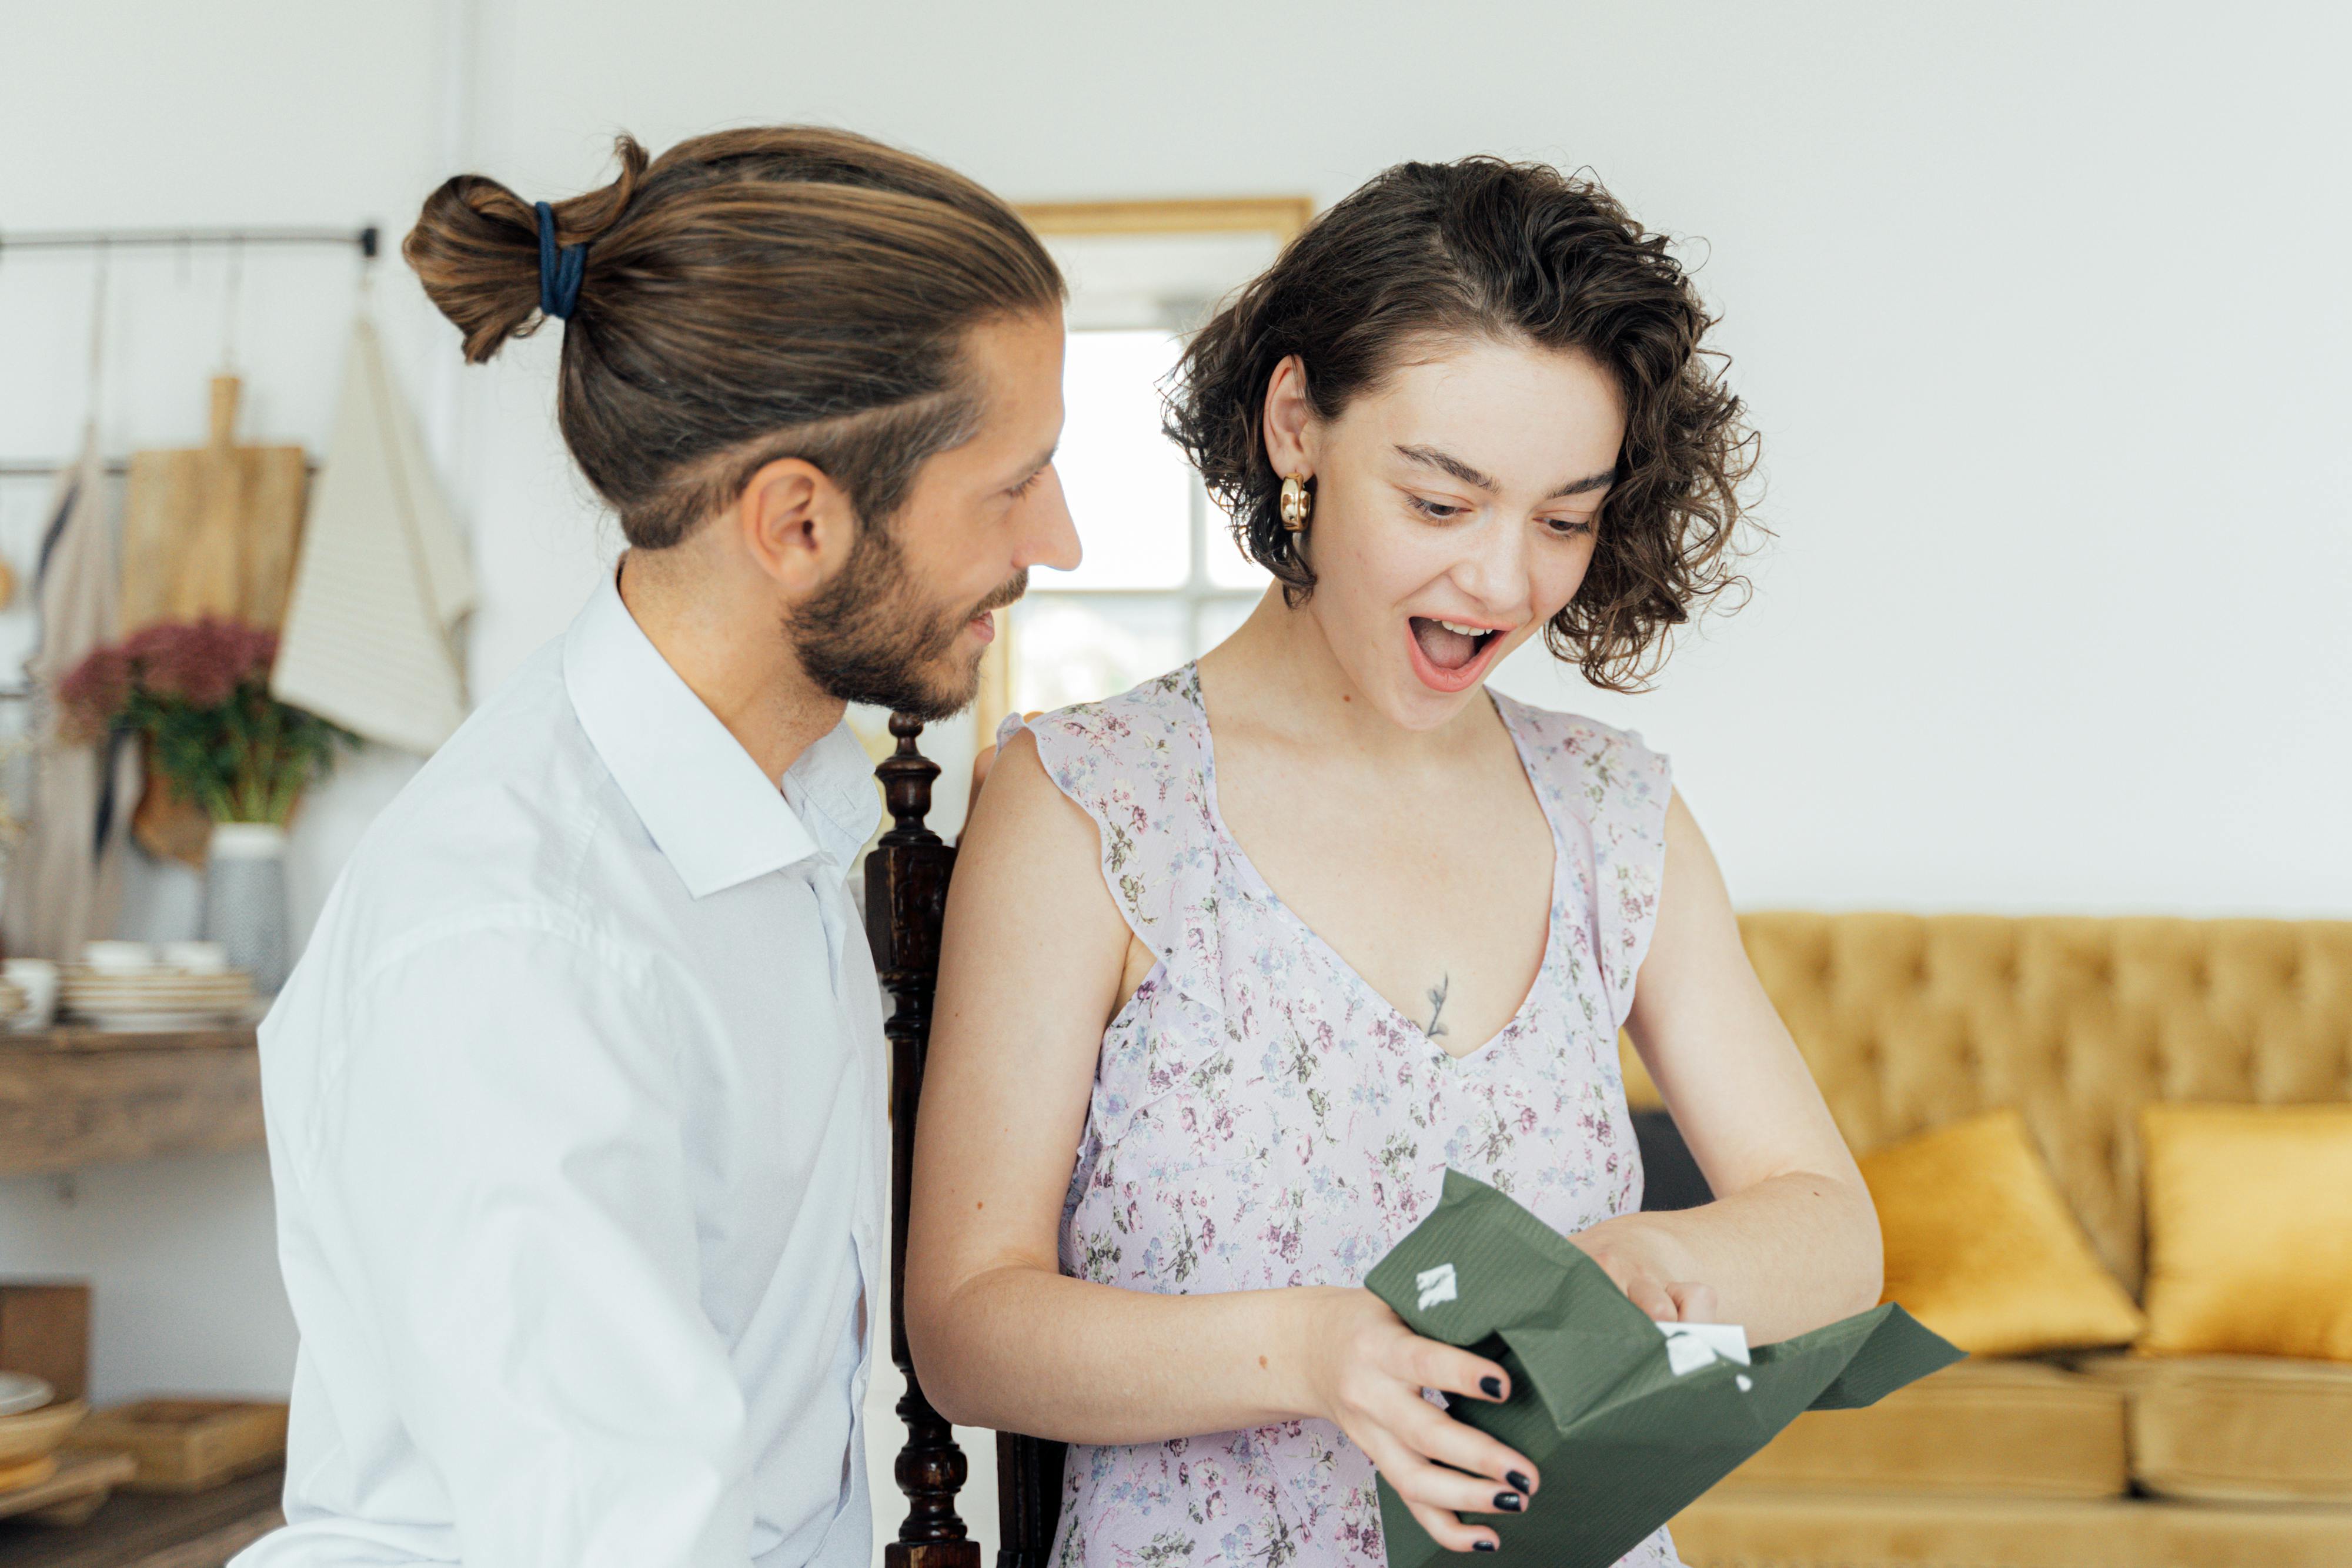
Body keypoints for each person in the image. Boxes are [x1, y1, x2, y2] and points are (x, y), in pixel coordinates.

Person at [904, 156, 1882, 1566]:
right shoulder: (1090, 803)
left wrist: (1654, 1266)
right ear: (1296, 421)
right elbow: (967, 1330)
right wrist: (1309, 1353)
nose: (1500, 584)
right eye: (1439, 502)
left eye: (1562, 517)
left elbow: (1833, 1232)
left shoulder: (1609, 810)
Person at [238, 128, 1075, 1568]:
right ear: (799, 520)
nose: (1054, 539)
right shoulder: (516, 948)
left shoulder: (789, 794)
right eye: (1011, 486)